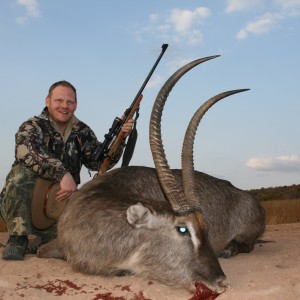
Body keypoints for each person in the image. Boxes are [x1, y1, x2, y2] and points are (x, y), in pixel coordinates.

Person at [0, 80, 134, 260]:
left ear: (76, 105)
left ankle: (41, 243)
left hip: (59, 203)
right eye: (59, 100)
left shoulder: (83, 131)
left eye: (70, 102)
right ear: (47, 101)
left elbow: (98, 162)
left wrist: (121, 139)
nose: (65, 106)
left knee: (77, 233)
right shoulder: (32, 126)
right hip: (30, 202)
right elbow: (26, 151)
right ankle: (18, 237)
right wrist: (63, 174)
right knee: (20, 175)